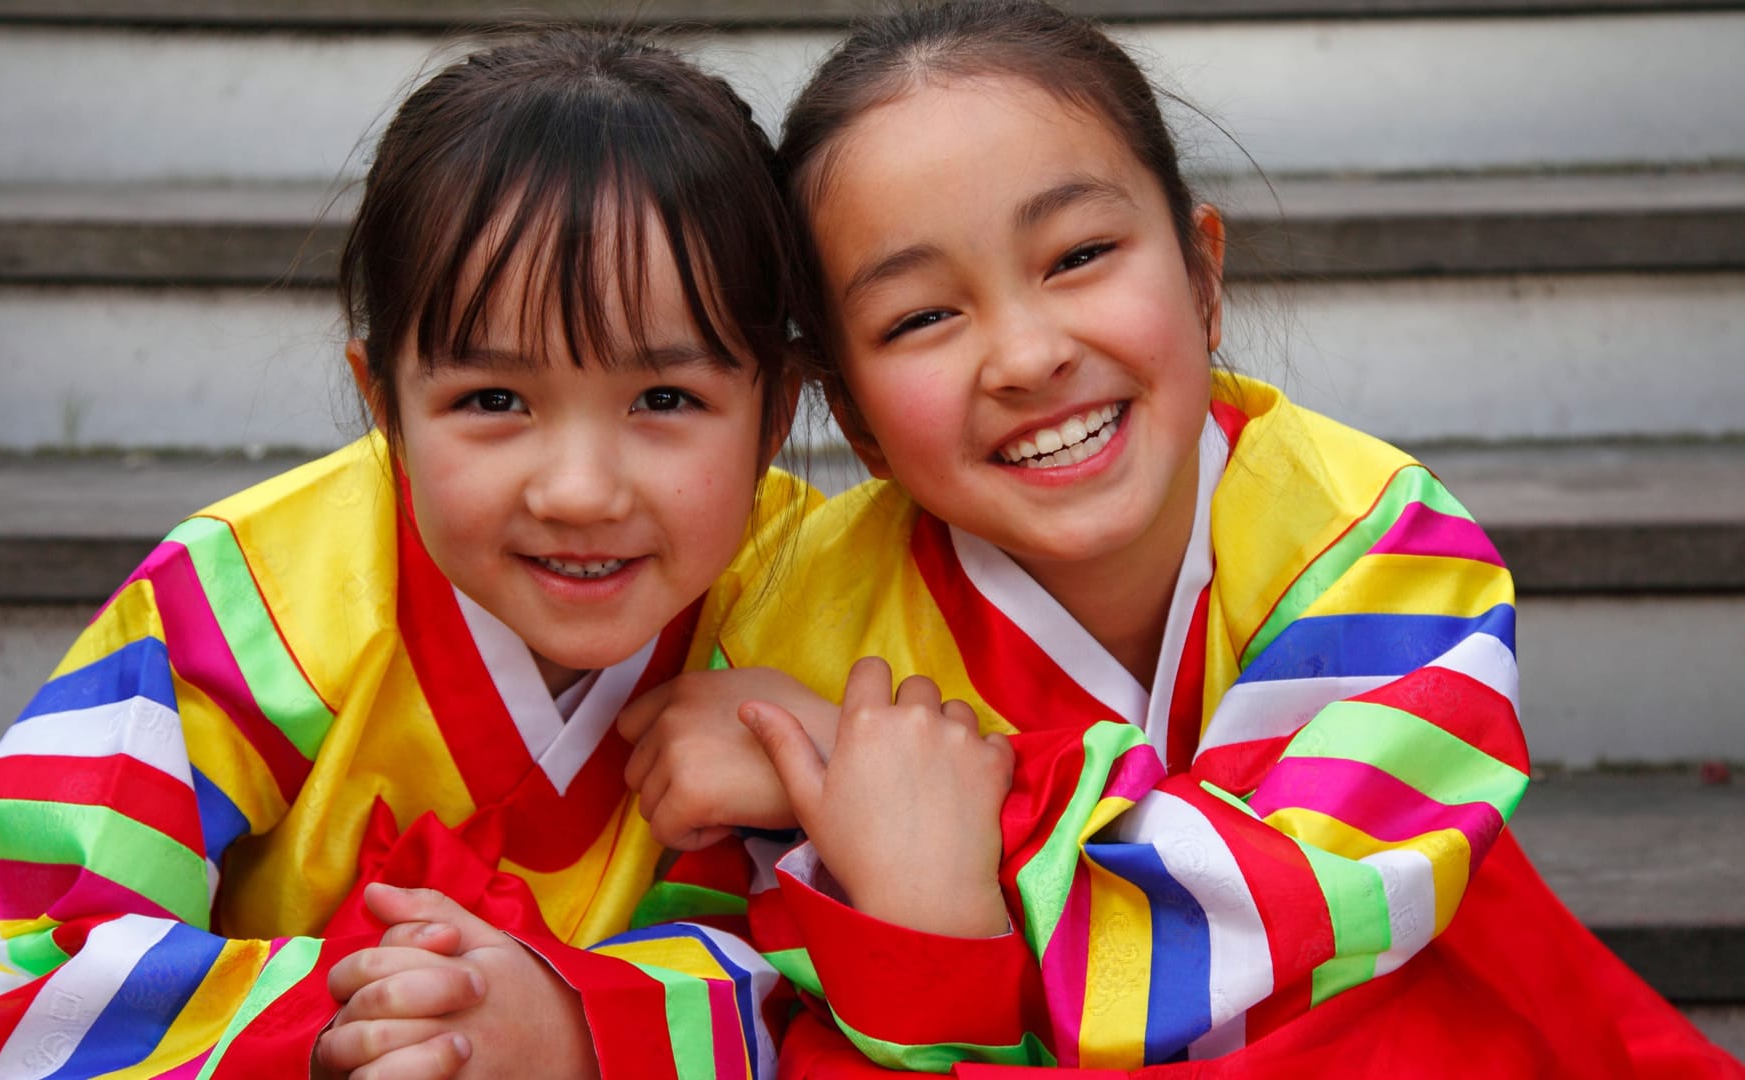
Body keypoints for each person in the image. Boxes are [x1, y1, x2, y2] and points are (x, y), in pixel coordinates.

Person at [620, 2, 1745, 1076]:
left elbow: (1282, 918)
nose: (1023, 356)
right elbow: (746, 968)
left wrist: (882, 784)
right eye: (921, 318)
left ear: (1205, 274)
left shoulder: (1374, 540)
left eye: (1076, 256)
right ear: (853, 415)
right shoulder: (793, 626)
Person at [0, 29, 810, 1080]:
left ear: (775, 408)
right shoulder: (249, 603)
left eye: (665, 399)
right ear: (385, 405)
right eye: (493, 400)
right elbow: (4, 952)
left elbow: (838, 967)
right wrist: (363, 1016)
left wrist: (575, 1023)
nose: (579, 492)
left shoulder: (801, 593)